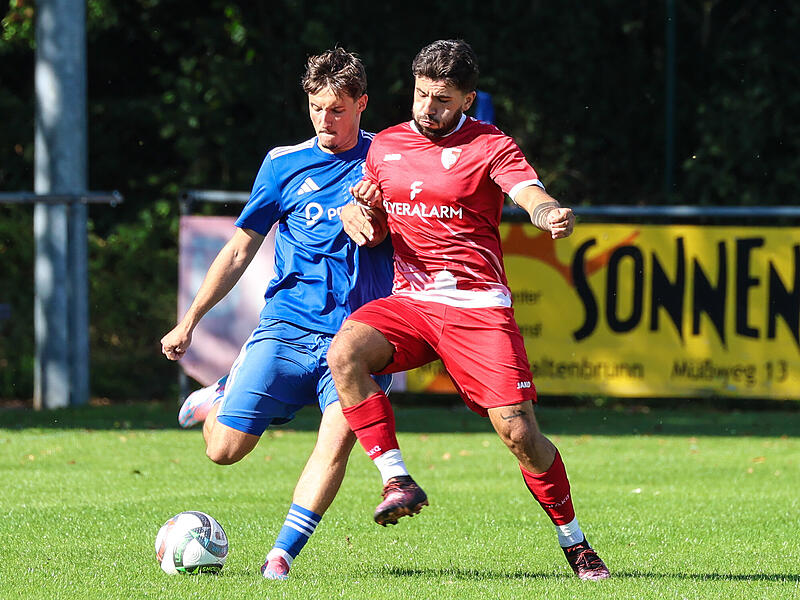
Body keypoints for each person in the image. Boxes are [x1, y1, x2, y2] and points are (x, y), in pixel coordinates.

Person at [328, 39, 610, 581]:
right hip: (411, 302)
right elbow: (379, 217)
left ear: (467, 99)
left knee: (520, 434)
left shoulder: (490, 144)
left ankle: (574, 541)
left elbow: (527, 190)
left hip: (477, 307)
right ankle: (397, 480)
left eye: (442, 99)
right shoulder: (384, 146)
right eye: (421, 95)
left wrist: (548, 211)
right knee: (345, 353)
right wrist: (360, 215)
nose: (428, 108)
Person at [160, 47, 393, 581]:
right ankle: (219, 395)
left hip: (358, 336)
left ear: (362, 103)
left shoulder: (390, 158)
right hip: (286, 328)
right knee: (223, 451)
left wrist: (379, 220)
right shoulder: (283, 162)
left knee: (337, 439)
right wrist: (189, 320)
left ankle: (281, 557)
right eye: (316, 108)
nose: (324, 120)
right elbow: (241, 248)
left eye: (336, 109)